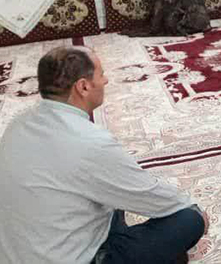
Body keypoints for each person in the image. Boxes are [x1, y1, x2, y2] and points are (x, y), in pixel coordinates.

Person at [0, 47, 207, 264]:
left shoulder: (18, 124)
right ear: (83, 86)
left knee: (110, 195)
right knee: (188, 219)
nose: (106, 81)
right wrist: (196, 211)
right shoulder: (90, 142)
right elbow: (156, 198)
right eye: (101, 74)